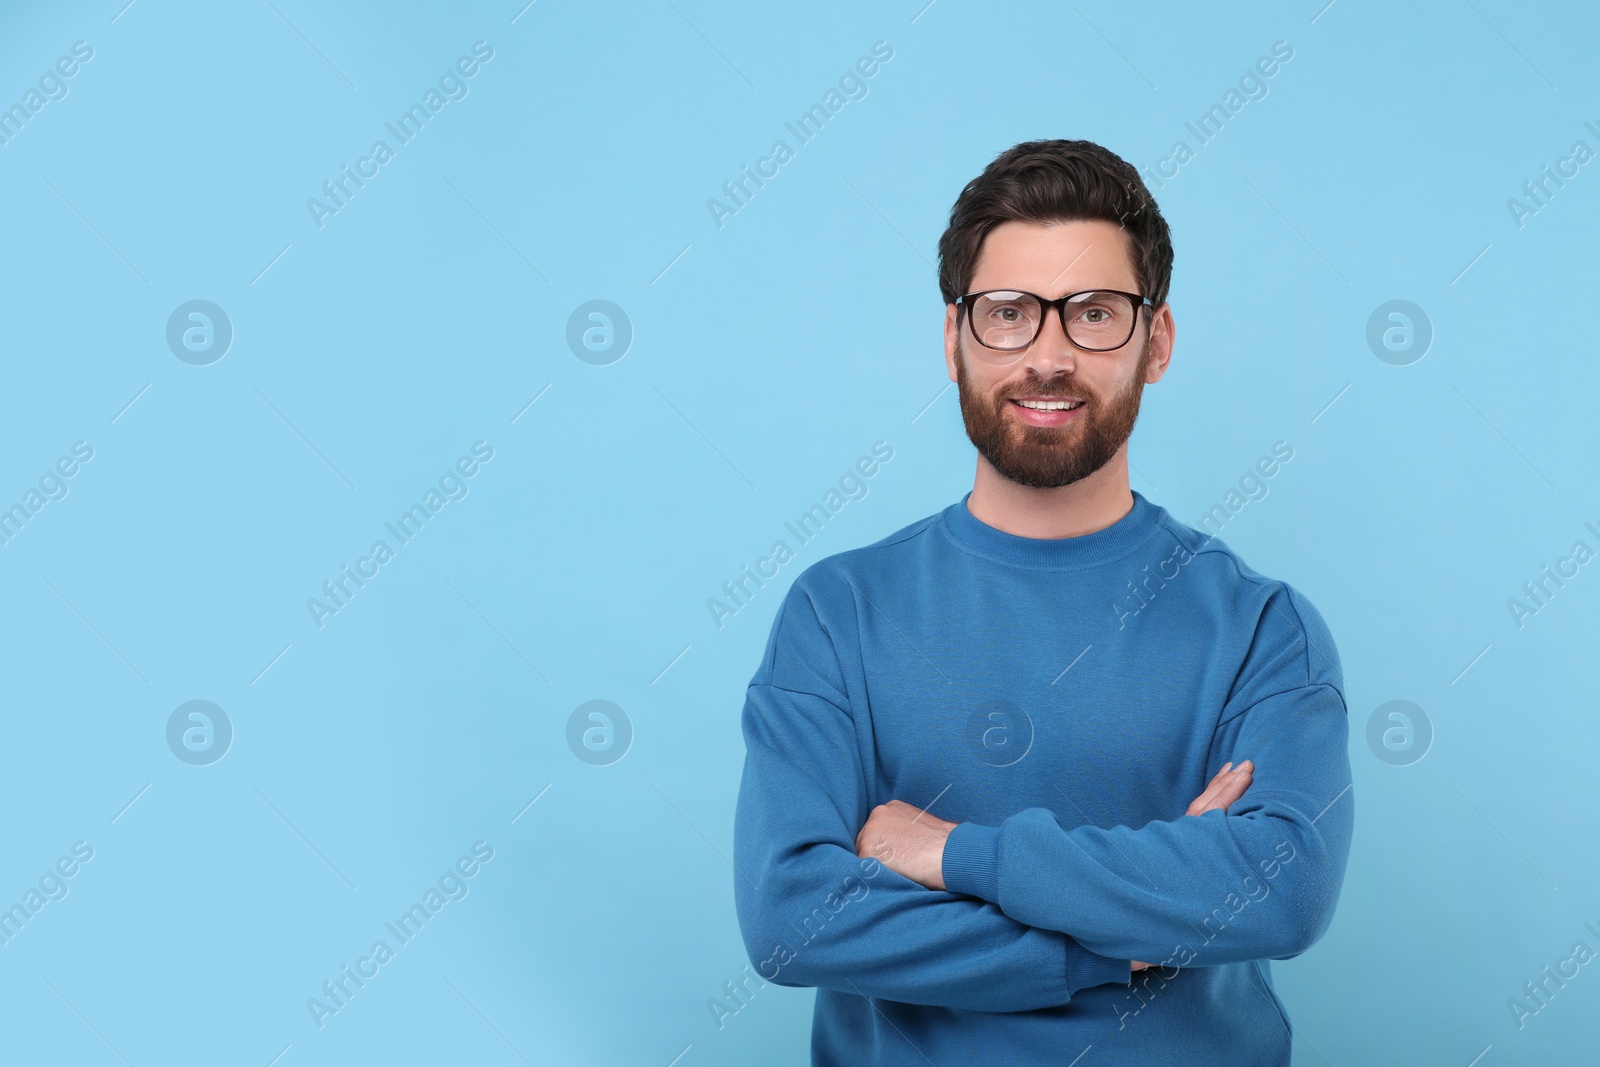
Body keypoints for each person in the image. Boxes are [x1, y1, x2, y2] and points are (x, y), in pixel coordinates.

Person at [731, 138, 1354, 1065]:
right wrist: (1125, 938)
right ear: (954, 342)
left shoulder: (1264, 628)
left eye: (1095, 313)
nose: (1049, 355)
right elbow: (792, 918)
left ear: (1157, 342)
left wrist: (952, 853)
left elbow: (1281, 888)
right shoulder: (838, 612)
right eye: (1009, 313)